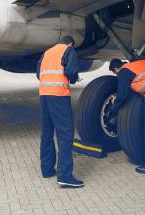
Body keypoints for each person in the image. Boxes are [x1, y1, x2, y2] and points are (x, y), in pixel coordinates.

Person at [36, 35, 84, 188]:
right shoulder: (68, 50)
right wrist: (75, 78)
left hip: (44, 95)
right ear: (70, 43)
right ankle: (65, 176)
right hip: (59, 95)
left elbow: (38, 74)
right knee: (65, 134)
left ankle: (47, 169)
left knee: (47, 133)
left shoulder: (47, 52)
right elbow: (71, 71)